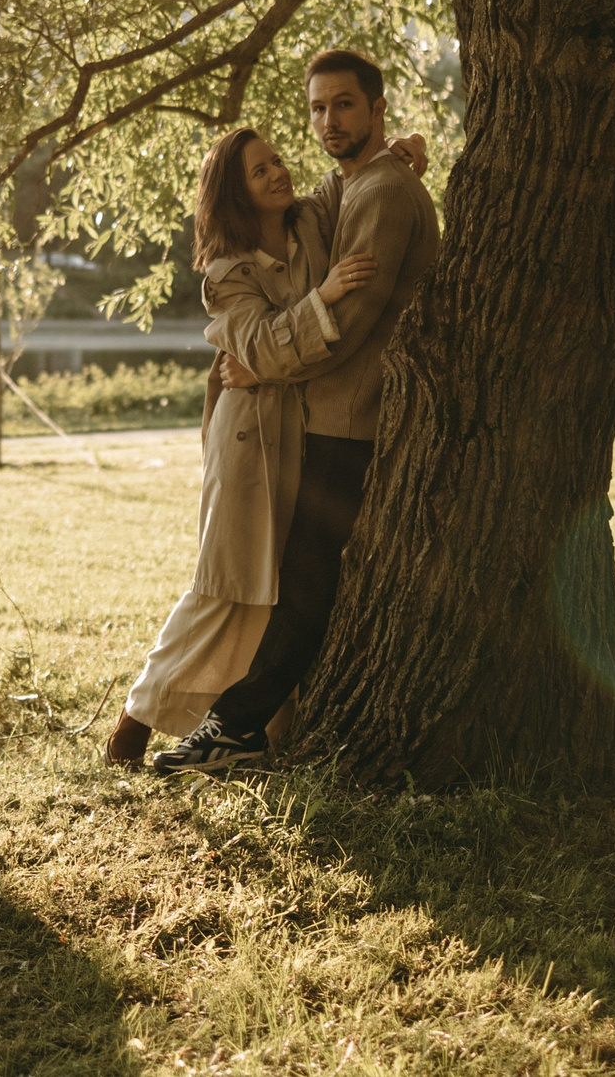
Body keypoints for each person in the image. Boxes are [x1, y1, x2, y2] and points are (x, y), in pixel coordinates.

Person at [152, 48, 440, 774]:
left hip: (351, 421)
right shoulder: (350, 190)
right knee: (288, 583)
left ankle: (235, 726)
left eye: (345, 104)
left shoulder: (376, 193)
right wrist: (405, 151)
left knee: (305, 587)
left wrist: (267, 362)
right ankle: (244, 721)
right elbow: (322, 214)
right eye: (318, 107)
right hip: (317, 424)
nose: (328, 120)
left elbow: (349, 330)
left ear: (376, 108)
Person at [103, 125, 377, 767]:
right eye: (260, 171)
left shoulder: (311, 219)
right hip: (248, 441)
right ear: (236, 192)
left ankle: (260, 731)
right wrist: (327, 295)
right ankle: (136, 718)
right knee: (221, 585)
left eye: (278, 161)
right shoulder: (225, 274)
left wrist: (403, 147)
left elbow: (354, 179)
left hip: (302, 437)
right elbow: (259, 348)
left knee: (277, 588)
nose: (278, 173)